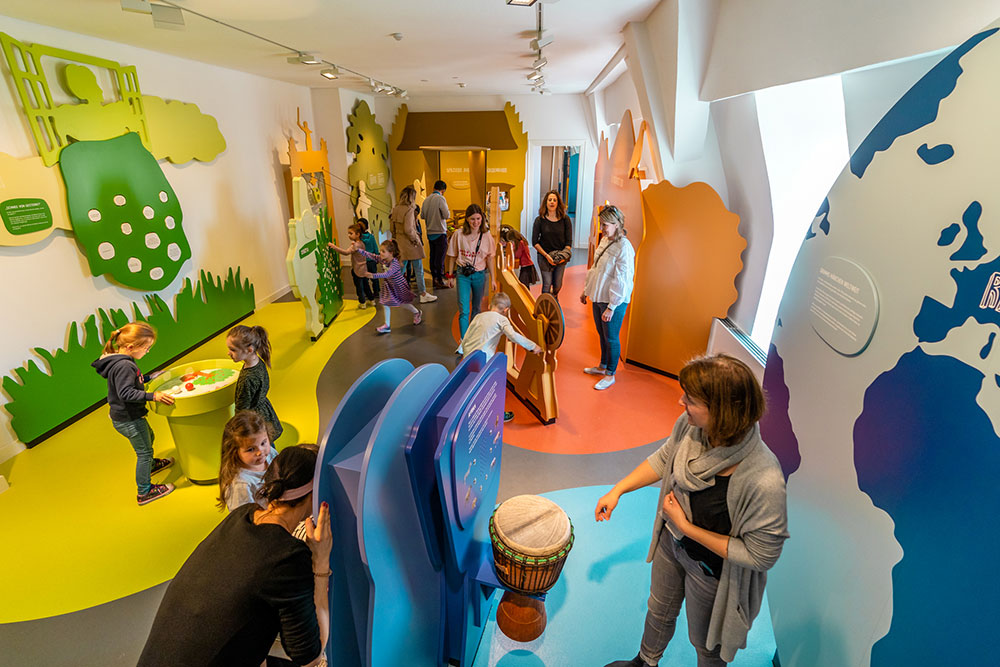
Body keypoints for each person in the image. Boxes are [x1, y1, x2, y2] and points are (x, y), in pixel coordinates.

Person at [595, 355, 789, 667]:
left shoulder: (764, 479)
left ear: (722, 412)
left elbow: (760, 555)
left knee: (707, 644)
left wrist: (687, 528)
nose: (680, 401)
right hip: (671, 543)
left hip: (712, 571)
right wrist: (618, 490)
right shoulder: (690, 427)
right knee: (658, 610)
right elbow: (665, 458)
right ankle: (645, 662)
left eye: (691, 399)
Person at [138, 445, 332, 667]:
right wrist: (321, 561)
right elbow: (310, 656)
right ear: (314, 493)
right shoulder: (287, 557)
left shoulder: (242, 516)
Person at [92, 322, 175, 505]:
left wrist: (149, 377)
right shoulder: (124, 365)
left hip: (127, 416)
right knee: (144, 452)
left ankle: (150, 466)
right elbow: (126, 393)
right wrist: (153, 396)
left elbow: (130, 382)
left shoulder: (121, 359)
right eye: (146, 348)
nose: (147, 351)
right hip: (129, 419)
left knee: (149, 437)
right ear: (131, 347)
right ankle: (144, 492)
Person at [459, 292, 542, 422]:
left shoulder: (478, 316)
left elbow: (467, 335)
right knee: (491, 387)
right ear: (506, 310)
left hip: (468, 357)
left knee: (473, 386)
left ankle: (468, 413)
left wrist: (462, 352)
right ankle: (496, 415)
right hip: (482, 360)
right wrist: (533, 346)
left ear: (490, 306)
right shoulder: (502, 320)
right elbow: (513, 336)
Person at [579, 204, 636, 390]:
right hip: (598, 296)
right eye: (601, 223)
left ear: (617, 224)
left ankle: (610, 374)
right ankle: (602, 366)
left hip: (613, 301)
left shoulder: (624, 247)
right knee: (602, 334)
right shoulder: (605, 241)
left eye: (606, 224)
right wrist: (586, 290)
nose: (602, 228)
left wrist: (612, 306)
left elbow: (622, 279)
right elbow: (595, 268)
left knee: (611, 337)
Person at [446, 204, 497, 338]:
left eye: (478, 219)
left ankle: (473, 337)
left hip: (479, 274)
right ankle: (464, 341)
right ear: (467, 219)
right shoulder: (458, 234)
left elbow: (490, 259)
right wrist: (450, 276)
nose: (476, 222)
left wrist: (493, 279)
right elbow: (452, 256)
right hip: (462, 274)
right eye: (472, 219)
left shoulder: (486, 236)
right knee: (464, 310)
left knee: (476, 308)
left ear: (482, 219)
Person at [227, 324, 283, 442]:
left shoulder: (247, 378)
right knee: (266, 440)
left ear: (249, 350)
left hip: (253, 418)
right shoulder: (257, 361)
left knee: (260, 442)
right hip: (264, 409)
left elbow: (242, 408)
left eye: (233, 350)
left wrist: (237, 426)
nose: (228, 353)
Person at [358, 238, 422, 334]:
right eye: (380, 251)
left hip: (398, 286)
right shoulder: (382, 259)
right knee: (385, 303)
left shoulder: (395, 263)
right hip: (389, 285)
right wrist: (359, 250)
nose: (380, 253)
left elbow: (387, 274)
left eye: (383, 251)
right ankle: (387, 325)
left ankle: (417, 312)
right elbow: (372, 255)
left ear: (391, 253)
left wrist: (373, 275)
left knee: (402, 303)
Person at [218, 410, 277, 511]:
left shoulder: (270, 453)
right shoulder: (240, 485)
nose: (260, 452)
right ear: (234, 451)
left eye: (263, 443)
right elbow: (242, 516)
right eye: (251, 449)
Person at [390, 185, 437, 304]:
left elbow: (392, 228)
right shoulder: (410, 210)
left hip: (399, 242)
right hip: (410, 243)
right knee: (418, 269)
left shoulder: (395, 209)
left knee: (400, 269)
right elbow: (408, 229)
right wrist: (415, 240)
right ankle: (423, 294)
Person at [532, 190, 573, 298]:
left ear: (558, 203)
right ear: (546, 202)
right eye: (550, 200)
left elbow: (569, 242)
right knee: (547, 284)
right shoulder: (539, 220)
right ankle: (545, 305)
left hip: (560, 256)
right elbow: (535, 242)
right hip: (544, 256)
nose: (552, 202)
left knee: (557, 285)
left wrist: (562, 257)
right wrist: (547, 256)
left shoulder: (565, 220)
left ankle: (554, 298)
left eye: (554, 200)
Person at [328, 223, 376, 309]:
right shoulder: (361, 243)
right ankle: (372, 300)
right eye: (348, 233)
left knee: (359, 287)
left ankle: (362, 303)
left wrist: (333, 246)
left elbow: (346, 252)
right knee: (366, 285)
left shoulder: (355, 246)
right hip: (364, 269)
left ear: (358, 234)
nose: (349, 235)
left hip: (357, 269)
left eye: (351, 233)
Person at [422, 180, 451, 289]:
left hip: (430, 232)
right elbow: (446, 215)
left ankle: (434, 278)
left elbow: (422, 215)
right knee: (440, 258)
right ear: (443, 190)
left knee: (433, 256)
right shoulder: (440, 198)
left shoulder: (426, 200)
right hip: (440, 232)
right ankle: (440, 280)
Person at [358, 218, 380, 295]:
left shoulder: (359, 239)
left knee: (365, 279)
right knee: (374, 276)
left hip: (363, 262)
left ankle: (368, 293)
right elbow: (375, 248)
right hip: (372, 260)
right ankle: (376, 291)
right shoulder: (371, 237)